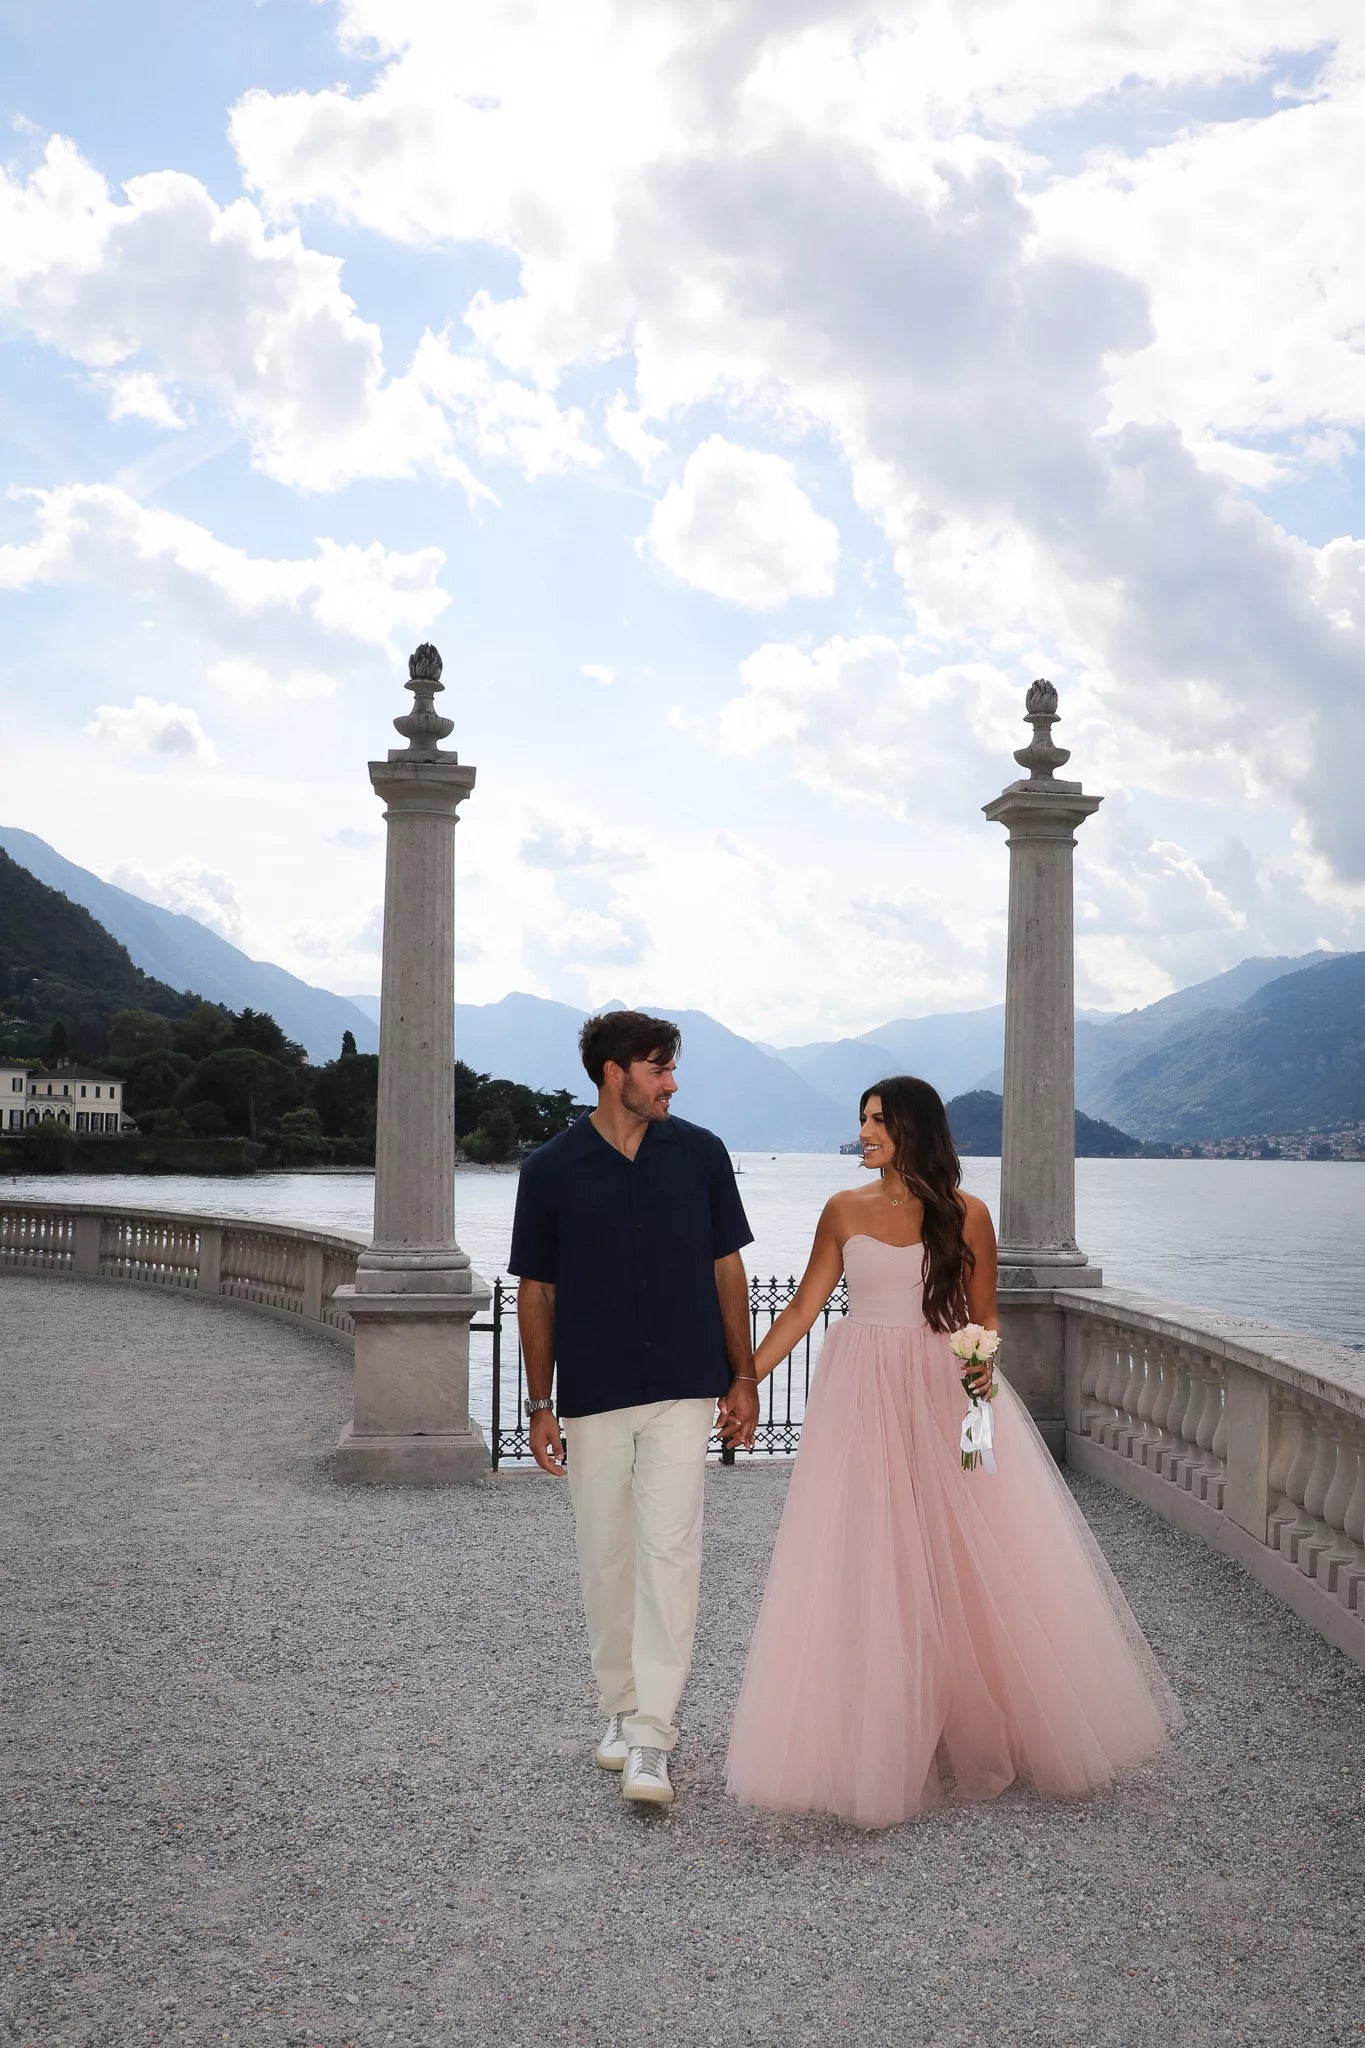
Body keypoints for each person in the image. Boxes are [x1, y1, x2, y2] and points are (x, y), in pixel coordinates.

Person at [725, 1075, 1179, 1829]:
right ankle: (884, 1722)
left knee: (954, 1550)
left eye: (878, 1120)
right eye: (862, 1119)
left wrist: (976, 1411)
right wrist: (744, 1377)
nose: (865, 1131)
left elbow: (983, 1317)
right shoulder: (841, 1209)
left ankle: (960, 1720)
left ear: (914, 1129)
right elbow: (805, 1305)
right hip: (860, 1391)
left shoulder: (967, 1214)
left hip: (940, 1388)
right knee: (871, 1549)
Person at [509, 1010, 759, 1807]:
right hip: (593, 1393)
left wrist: (744, 1378)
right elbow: (536, 1291)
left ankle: (653, 1735)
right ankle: (619, 1709)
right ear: (613, 1073)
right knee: (607, 1558)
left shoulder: (702, 1154)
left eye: (670, 1068)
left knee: (670, 1553)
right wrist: (540, 1403)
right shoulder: (550, 1169)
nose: (670, 1083)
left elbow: (728, 1273)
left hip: (686, 1385)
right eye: (656, 1068)